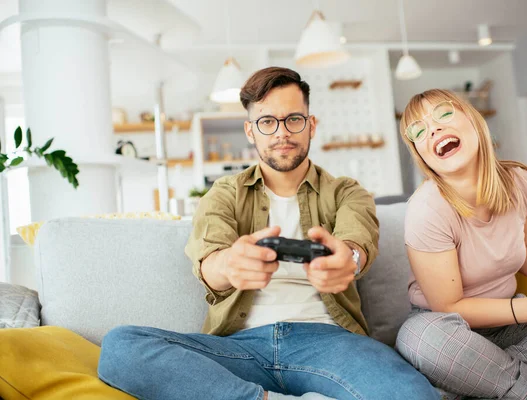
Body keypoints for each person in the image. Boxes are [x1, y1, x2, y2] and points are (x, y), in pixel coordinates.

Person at [97, 67, 437, 400]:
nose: (281, 133)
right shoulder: (224, 194)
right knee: (120, 347)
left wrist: (346, 260)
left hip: (330, 342)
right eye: (267, 122)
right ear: (250, 130)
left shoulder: (347, 192)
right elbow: (209, 261)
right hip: (239, 348)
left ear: (311, 125)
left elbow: (356, 243)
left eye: (293, 119)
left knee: (414, 395)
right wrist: (230, 265)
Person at [394, 89, 527, 400]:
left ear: (472, 119)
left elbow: (524, 246)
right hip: (451, 327)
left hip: (513, 325)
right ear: (421, 153)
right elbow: (449, 306)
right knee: (421, 341)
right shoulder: (427, 209)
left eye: (444, 114)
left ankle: (481, 380)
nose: (433, 128)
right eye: (418, 131)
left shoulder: (520, 182)